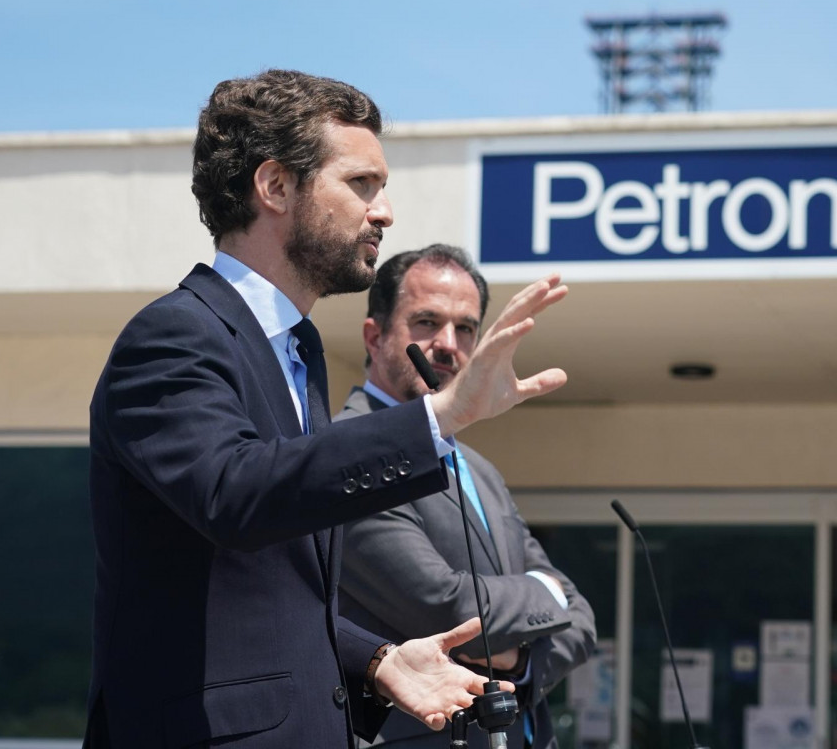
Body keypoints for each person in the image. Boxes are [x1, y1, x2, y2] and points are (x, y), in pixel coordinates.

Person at [85, 71, 567, 748]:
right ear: (275, 186)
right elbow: (235, 494)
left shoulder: (296, 353)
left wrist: (379, 661)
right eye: (361, 184)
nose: (385, 212)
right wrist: (439, 418)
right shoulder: (175, 335)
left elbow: (272, 596)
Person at [335, 245, 596, 749]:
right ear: (375, 335)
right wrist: (545, 593)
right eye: (426, 322)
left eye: (466, 329)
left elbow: (581, 619)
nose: (448, 345)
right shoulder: (349, 450)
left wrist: (519, 665)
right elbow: (447, 605)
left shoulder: (481, 470)